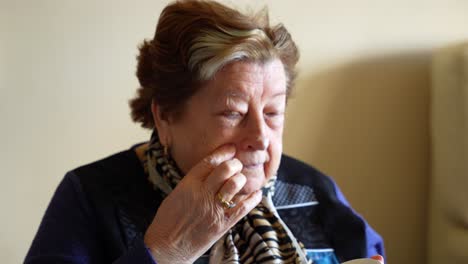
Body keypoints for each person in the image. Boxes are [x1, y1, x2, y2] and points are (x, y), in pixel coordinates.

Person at [25, 1, 385, 263]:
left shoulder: (314, 189)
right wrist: (166, 251)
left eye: (273, 112)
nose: (260, 137)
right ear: (165, 116)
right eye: (233, 112)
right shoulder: (91, 197)